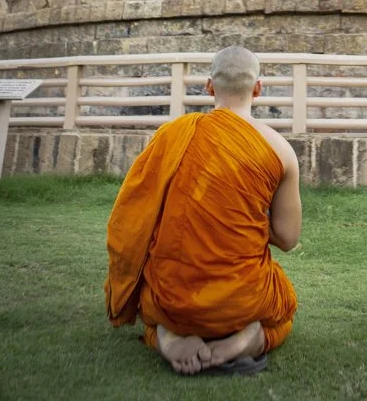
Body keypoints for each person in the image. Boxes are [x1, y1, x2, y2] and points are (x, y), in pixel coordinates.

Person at [105, 46, 301, 376]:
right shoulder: (280, 150)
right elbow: (288, 238)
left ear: (209, 87)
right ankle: (246, 340)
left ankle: (166, 335)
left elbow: (138, 218)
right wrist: (242, 217)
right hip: (242, 300)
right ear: (257, 88)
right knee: (282, 314)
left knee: (152, 310)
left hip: (172, 298)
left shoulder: (170, 136)